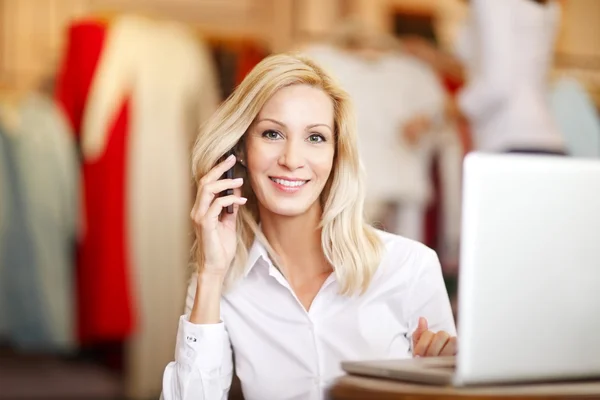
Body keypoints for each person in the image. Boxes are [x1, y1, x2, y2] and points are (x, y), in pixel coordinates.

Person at [161, 53, 457, 400]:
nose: (291, 160)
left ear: (336, 154)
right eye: (272, 133)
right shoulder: (218, 281)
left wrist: (446, 382)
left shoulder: (410, 267)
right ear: (240, 147)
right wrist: (211, 273)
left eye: (315, 138)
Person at [454, 0, 567, 155]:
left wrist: (449, 110)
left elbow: (497, 85)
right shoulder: (548, 7)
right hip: (546, 138)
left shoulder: (492, 4)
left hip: (509, 138)